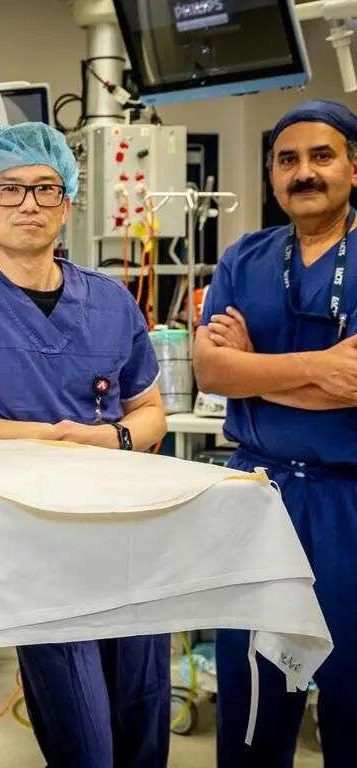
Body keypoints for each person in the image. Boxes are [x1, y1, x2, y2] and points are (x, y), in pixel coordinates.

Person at [0, 122, 170, 768]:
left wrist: (108, 437)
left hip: (127, 535)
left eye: (45, 188)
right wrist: (46, 438)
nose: (29, 203)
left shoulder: (112, 302)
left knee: (145, 721)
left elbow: (149, 413)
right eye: (8, 190)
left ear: (68, 202)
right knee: (84, 739)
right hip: (31, 543)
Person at [194, 99, 357, 767]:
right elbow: (210, 368)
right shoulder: (245, 256)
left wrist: (252, 366)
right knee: (254, 684)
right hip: (258, 495)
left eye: (322, 156)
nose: (304, 172)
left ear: (353, 167)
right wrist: (320, 368)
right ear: (271, 175)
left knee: (351, 683)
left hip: (348, 502)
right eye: (288, 160)